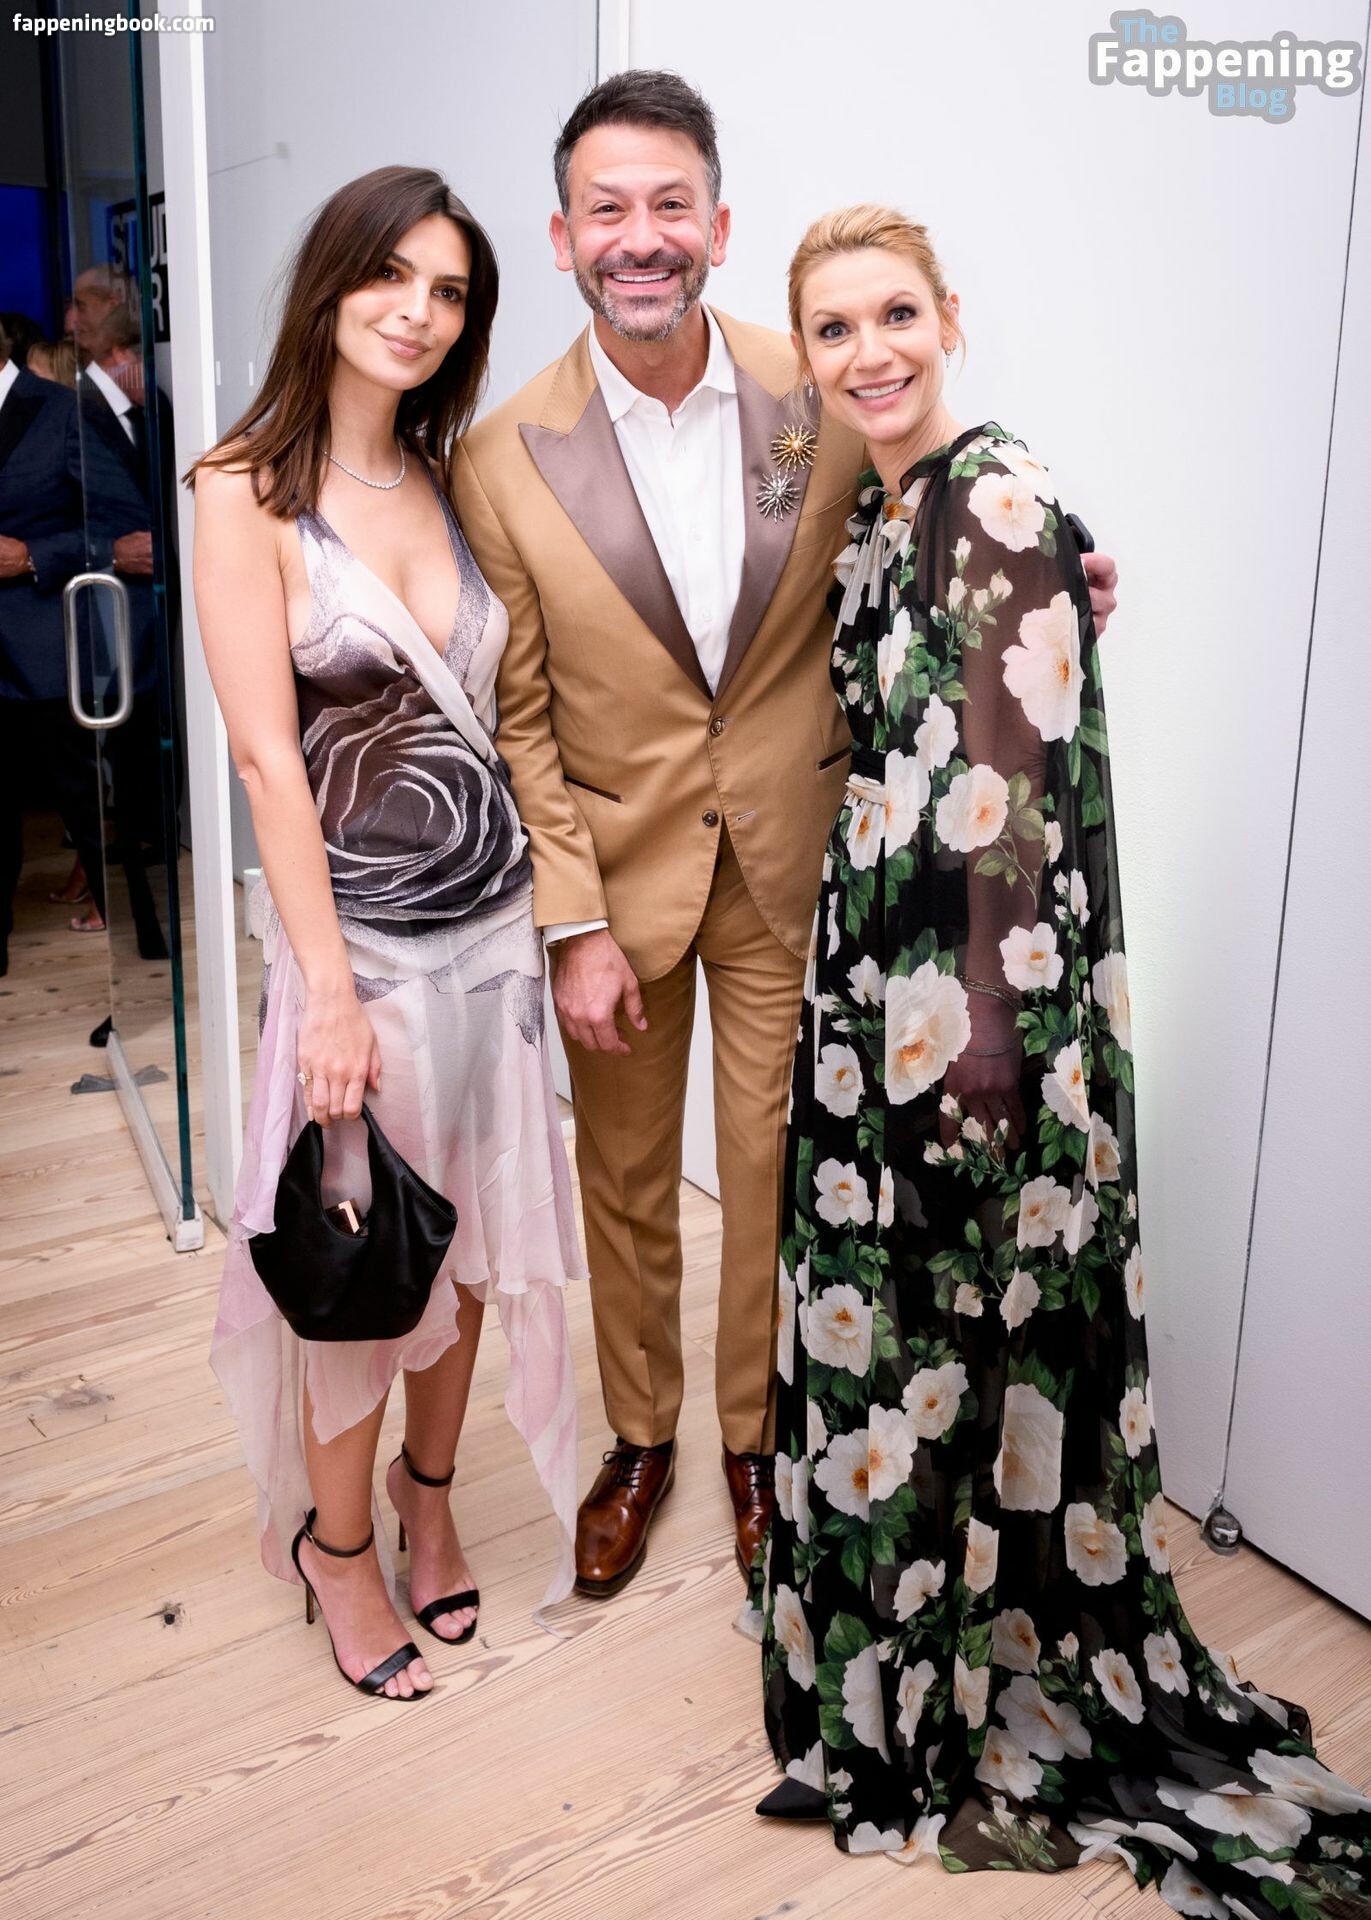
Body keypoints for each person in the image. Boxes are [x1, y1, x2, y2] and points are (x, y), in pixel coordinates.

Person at [755, 204, 1371, 1912]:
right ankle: (887, 1675)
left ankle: (938, 1696)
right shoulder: (879, 505)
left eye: (895, 314)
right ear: (803, 358)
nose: (869, 351)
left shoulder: (991, 495)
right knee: (897, 1343)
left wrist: (982, 1040)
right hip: (873, 998)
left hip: (962, 1016)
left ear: (948, 315)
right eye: (832, 329)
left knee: (943, 1347)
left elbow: (1008, 802)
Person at [454, 72, 1120, 1600]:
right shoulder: (501, 454)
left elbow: (912, 521)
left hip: (790, 872)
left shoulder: (808, 387)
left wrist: (1060, 578)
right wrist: (567, 921)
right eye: (607, 209)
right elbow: (522, 717)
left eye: (668, 204)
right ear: (562, 237)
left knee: (771, 1174)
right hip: (615, 895)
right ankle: (641, 1440)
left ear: (715, 224)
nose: (639, 236)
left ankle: (754, 1445)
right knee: (626, 1186)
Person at [191, 166, 583, 1703]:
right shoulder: (244, 489)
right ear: (332, 280)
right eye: (390, 275)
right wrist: (329, 997)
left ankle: (430, 1504)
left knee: (468, 1248)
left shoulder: (443, 474)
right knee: (364, 1261)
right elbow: (265, 761)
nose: (417, 311)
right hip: (365, 959)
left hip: (495, 942)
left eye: (449, 291)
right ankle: (337, 1550)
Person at [0, 315, 107, 977]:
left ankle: (125, 914)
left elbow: (120, 530)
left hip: (40, 643)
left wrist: (33, 555)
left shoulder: (61, 409)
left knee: (76, 789)